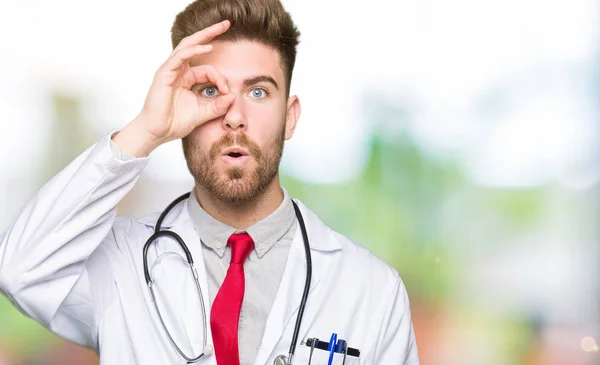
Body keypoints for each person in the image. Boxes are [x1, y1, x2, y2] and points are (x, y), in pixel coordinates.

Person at [0, 0, 419, 364]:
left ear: (290, 116)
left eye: (258, 93)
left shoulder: (371, 290)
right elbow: (20, 270)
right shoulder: (120, 264)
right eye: (208, 92)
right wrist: (146, 131)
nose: (234, 116)